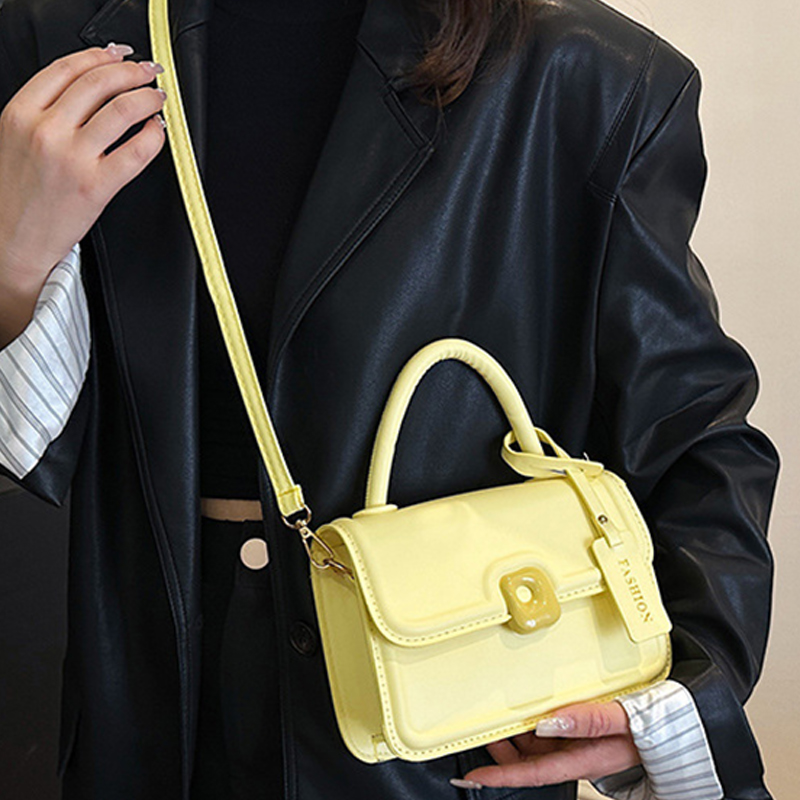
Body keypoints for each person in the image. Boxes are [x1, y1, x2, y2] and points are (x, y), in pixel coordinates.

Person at [0, 0, 779, 798]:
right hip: (141, 700)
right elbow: (34, 456)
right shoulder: (52, 40)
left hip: (448, 723)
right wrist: (12, 262)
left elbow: (692, 430)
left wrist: (674, 696)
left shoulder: (588, 77)